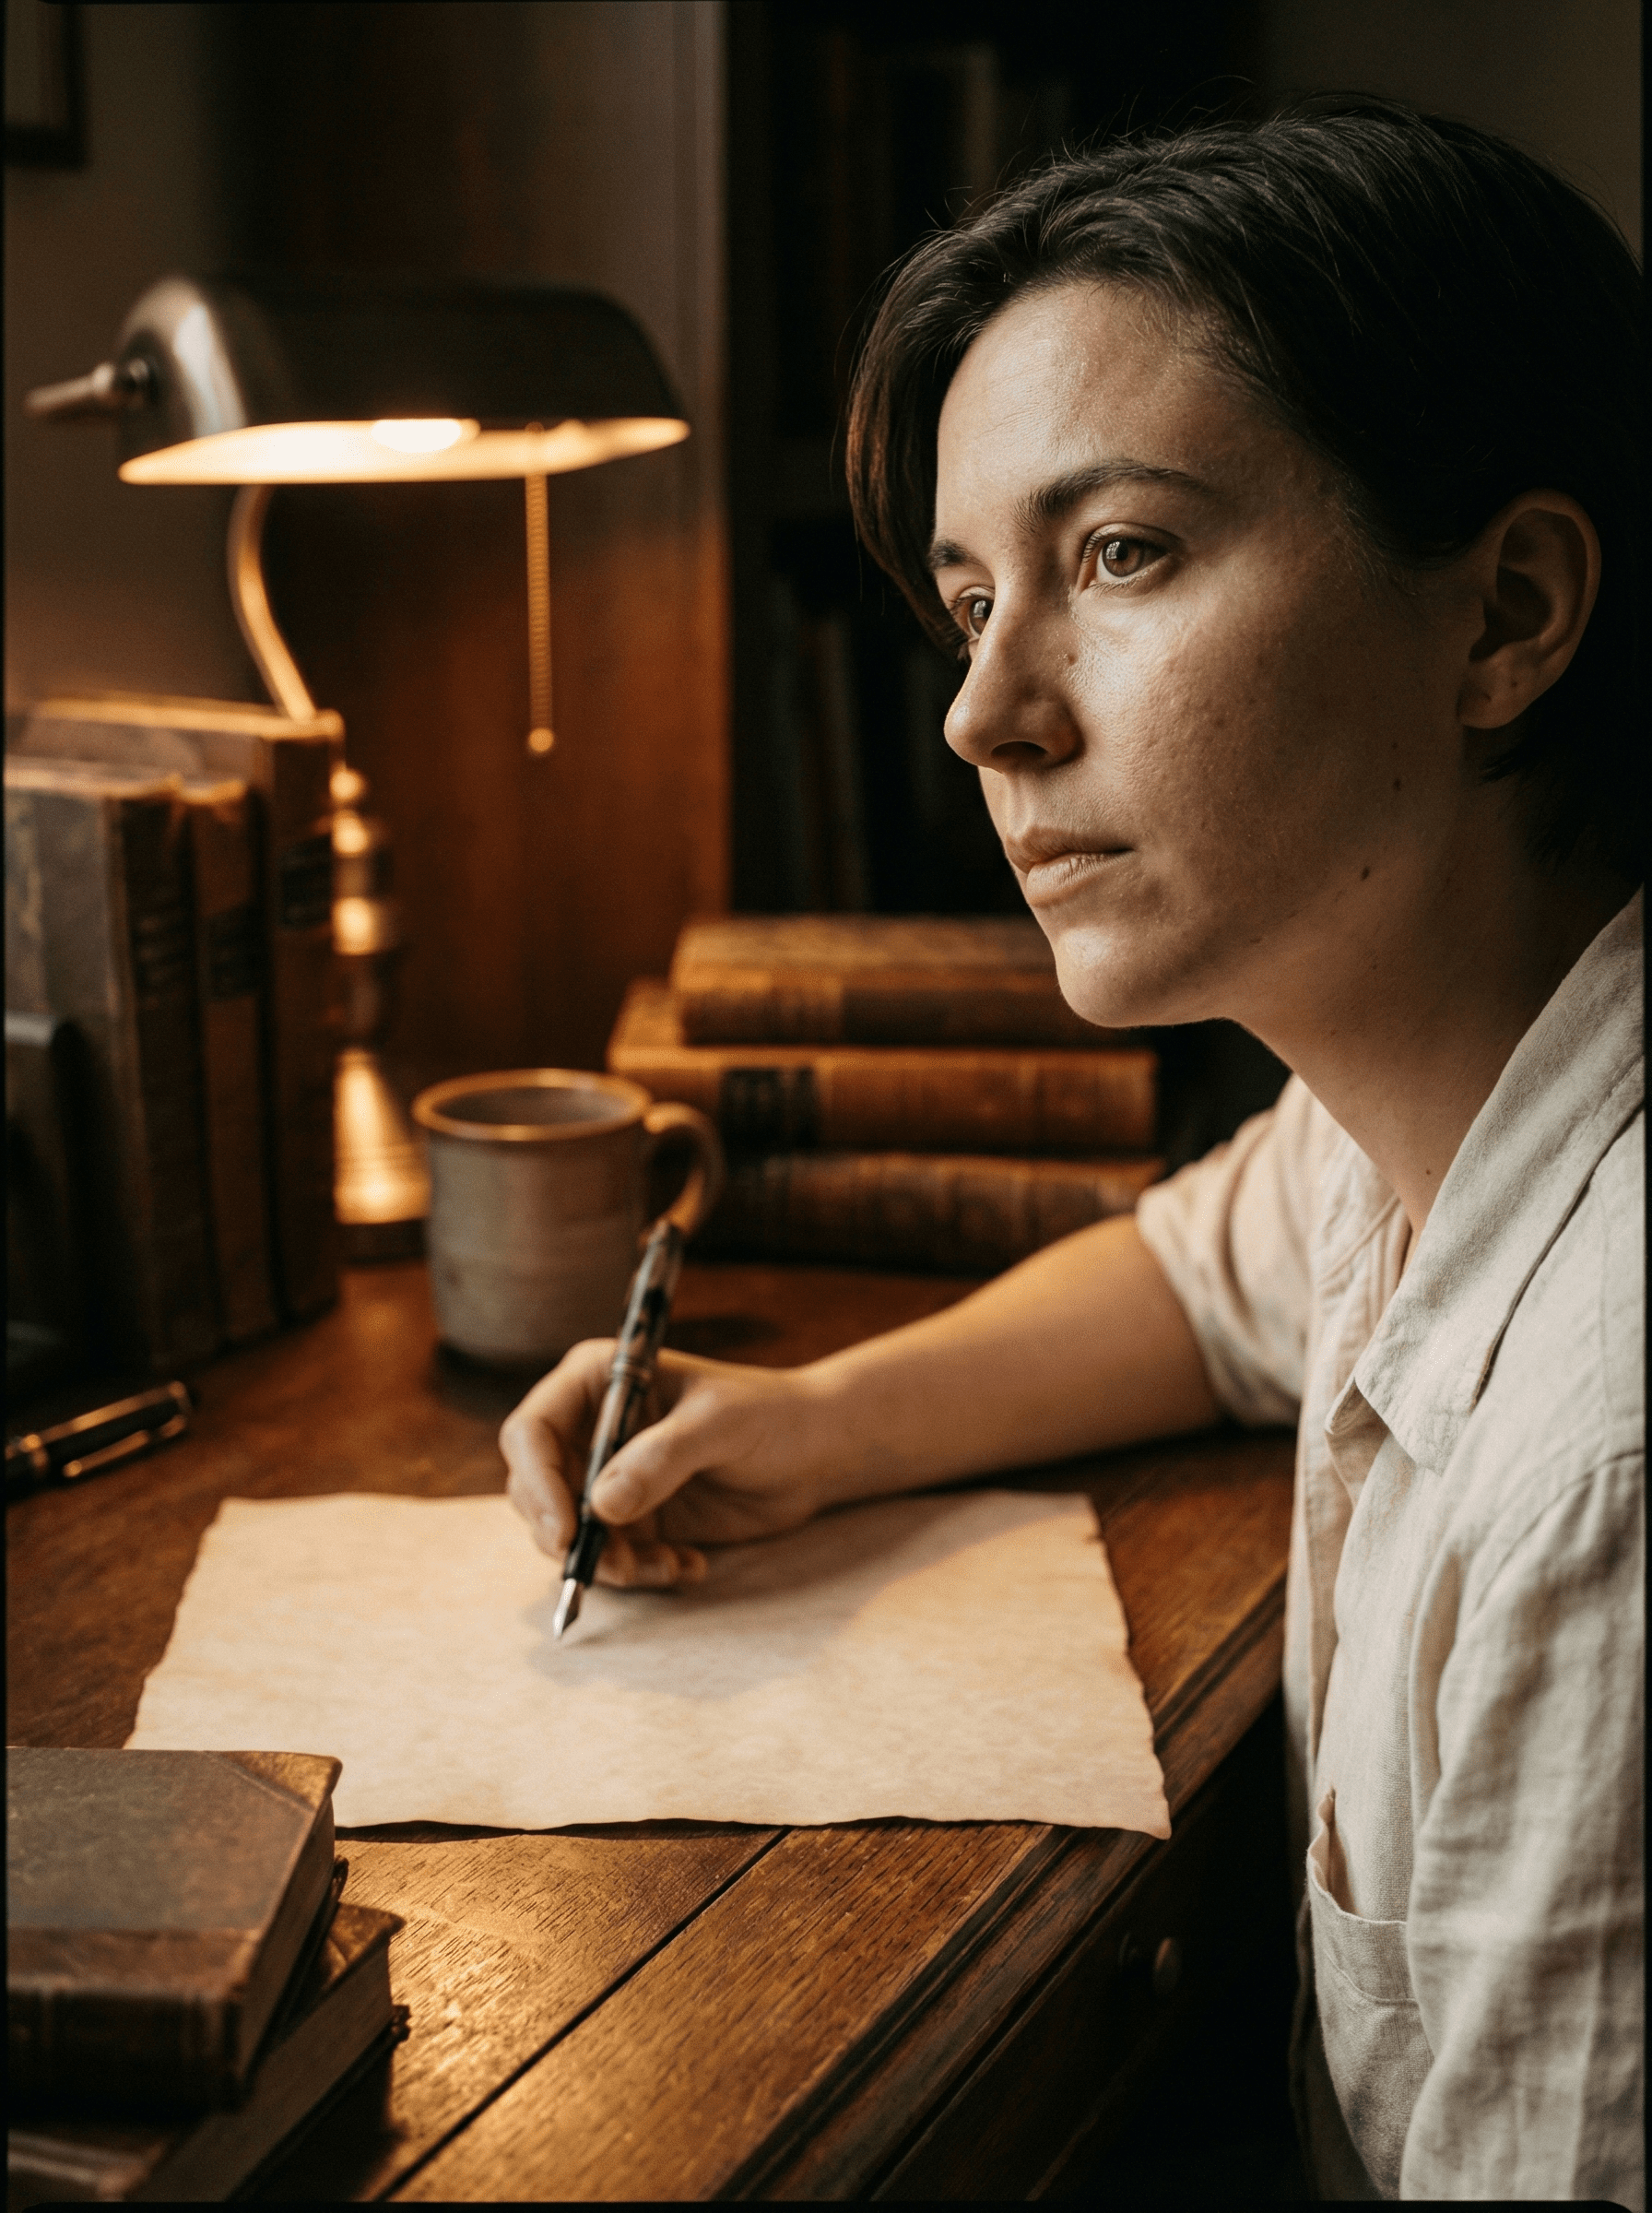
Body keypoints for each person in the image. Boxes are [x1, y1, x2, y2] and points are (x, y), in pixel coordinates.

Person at [501, 101, 1644, 2202]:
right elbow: (1205, 1276)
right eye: (965, 599)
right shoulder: (1429, 1099)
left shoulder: (1605, 1460)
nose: (983, 713)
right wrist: (814, 1420)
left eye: (1119, 554)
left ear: (1505, 612)